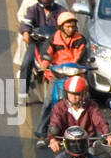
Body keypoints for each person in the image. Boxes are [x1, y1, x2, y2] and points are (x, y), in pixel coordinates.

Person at [32, 10, 90, 141]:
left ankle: (90, 133)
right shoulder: (54, 39)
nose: (70, 29)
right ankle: (41, 131)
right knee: (48, 102)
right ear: (61, 27)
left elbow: (80, 57)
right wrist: (45, 63)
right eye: (67, 26)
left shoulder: (80, 39)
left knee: (87, 102)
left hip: (75, 75)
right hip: (58, 75)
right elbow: (46, 54)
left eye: (73, 26)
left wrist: (76, 68)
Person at [45, 72, 111, 158]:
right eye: (71, 94)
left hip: (87, 145)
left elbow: (100, 120)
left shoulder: (91, 106)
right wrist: (53, 139)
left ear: (84, 94)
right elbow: (55, 123)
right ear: (66, 93)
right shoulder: (59, 107)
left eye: (77, 94)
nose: (74, 97)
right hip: (67, 145)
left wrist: (108, 134)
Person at [18, 0, 66, 87]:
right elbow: (26, 22)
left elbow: (67, 22)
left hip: (56, 44)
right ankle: (22, 94)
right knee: (26, 64)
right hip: (36, 43)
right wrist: (26, 33)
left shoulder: (60, 10)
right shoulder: (32, 9)